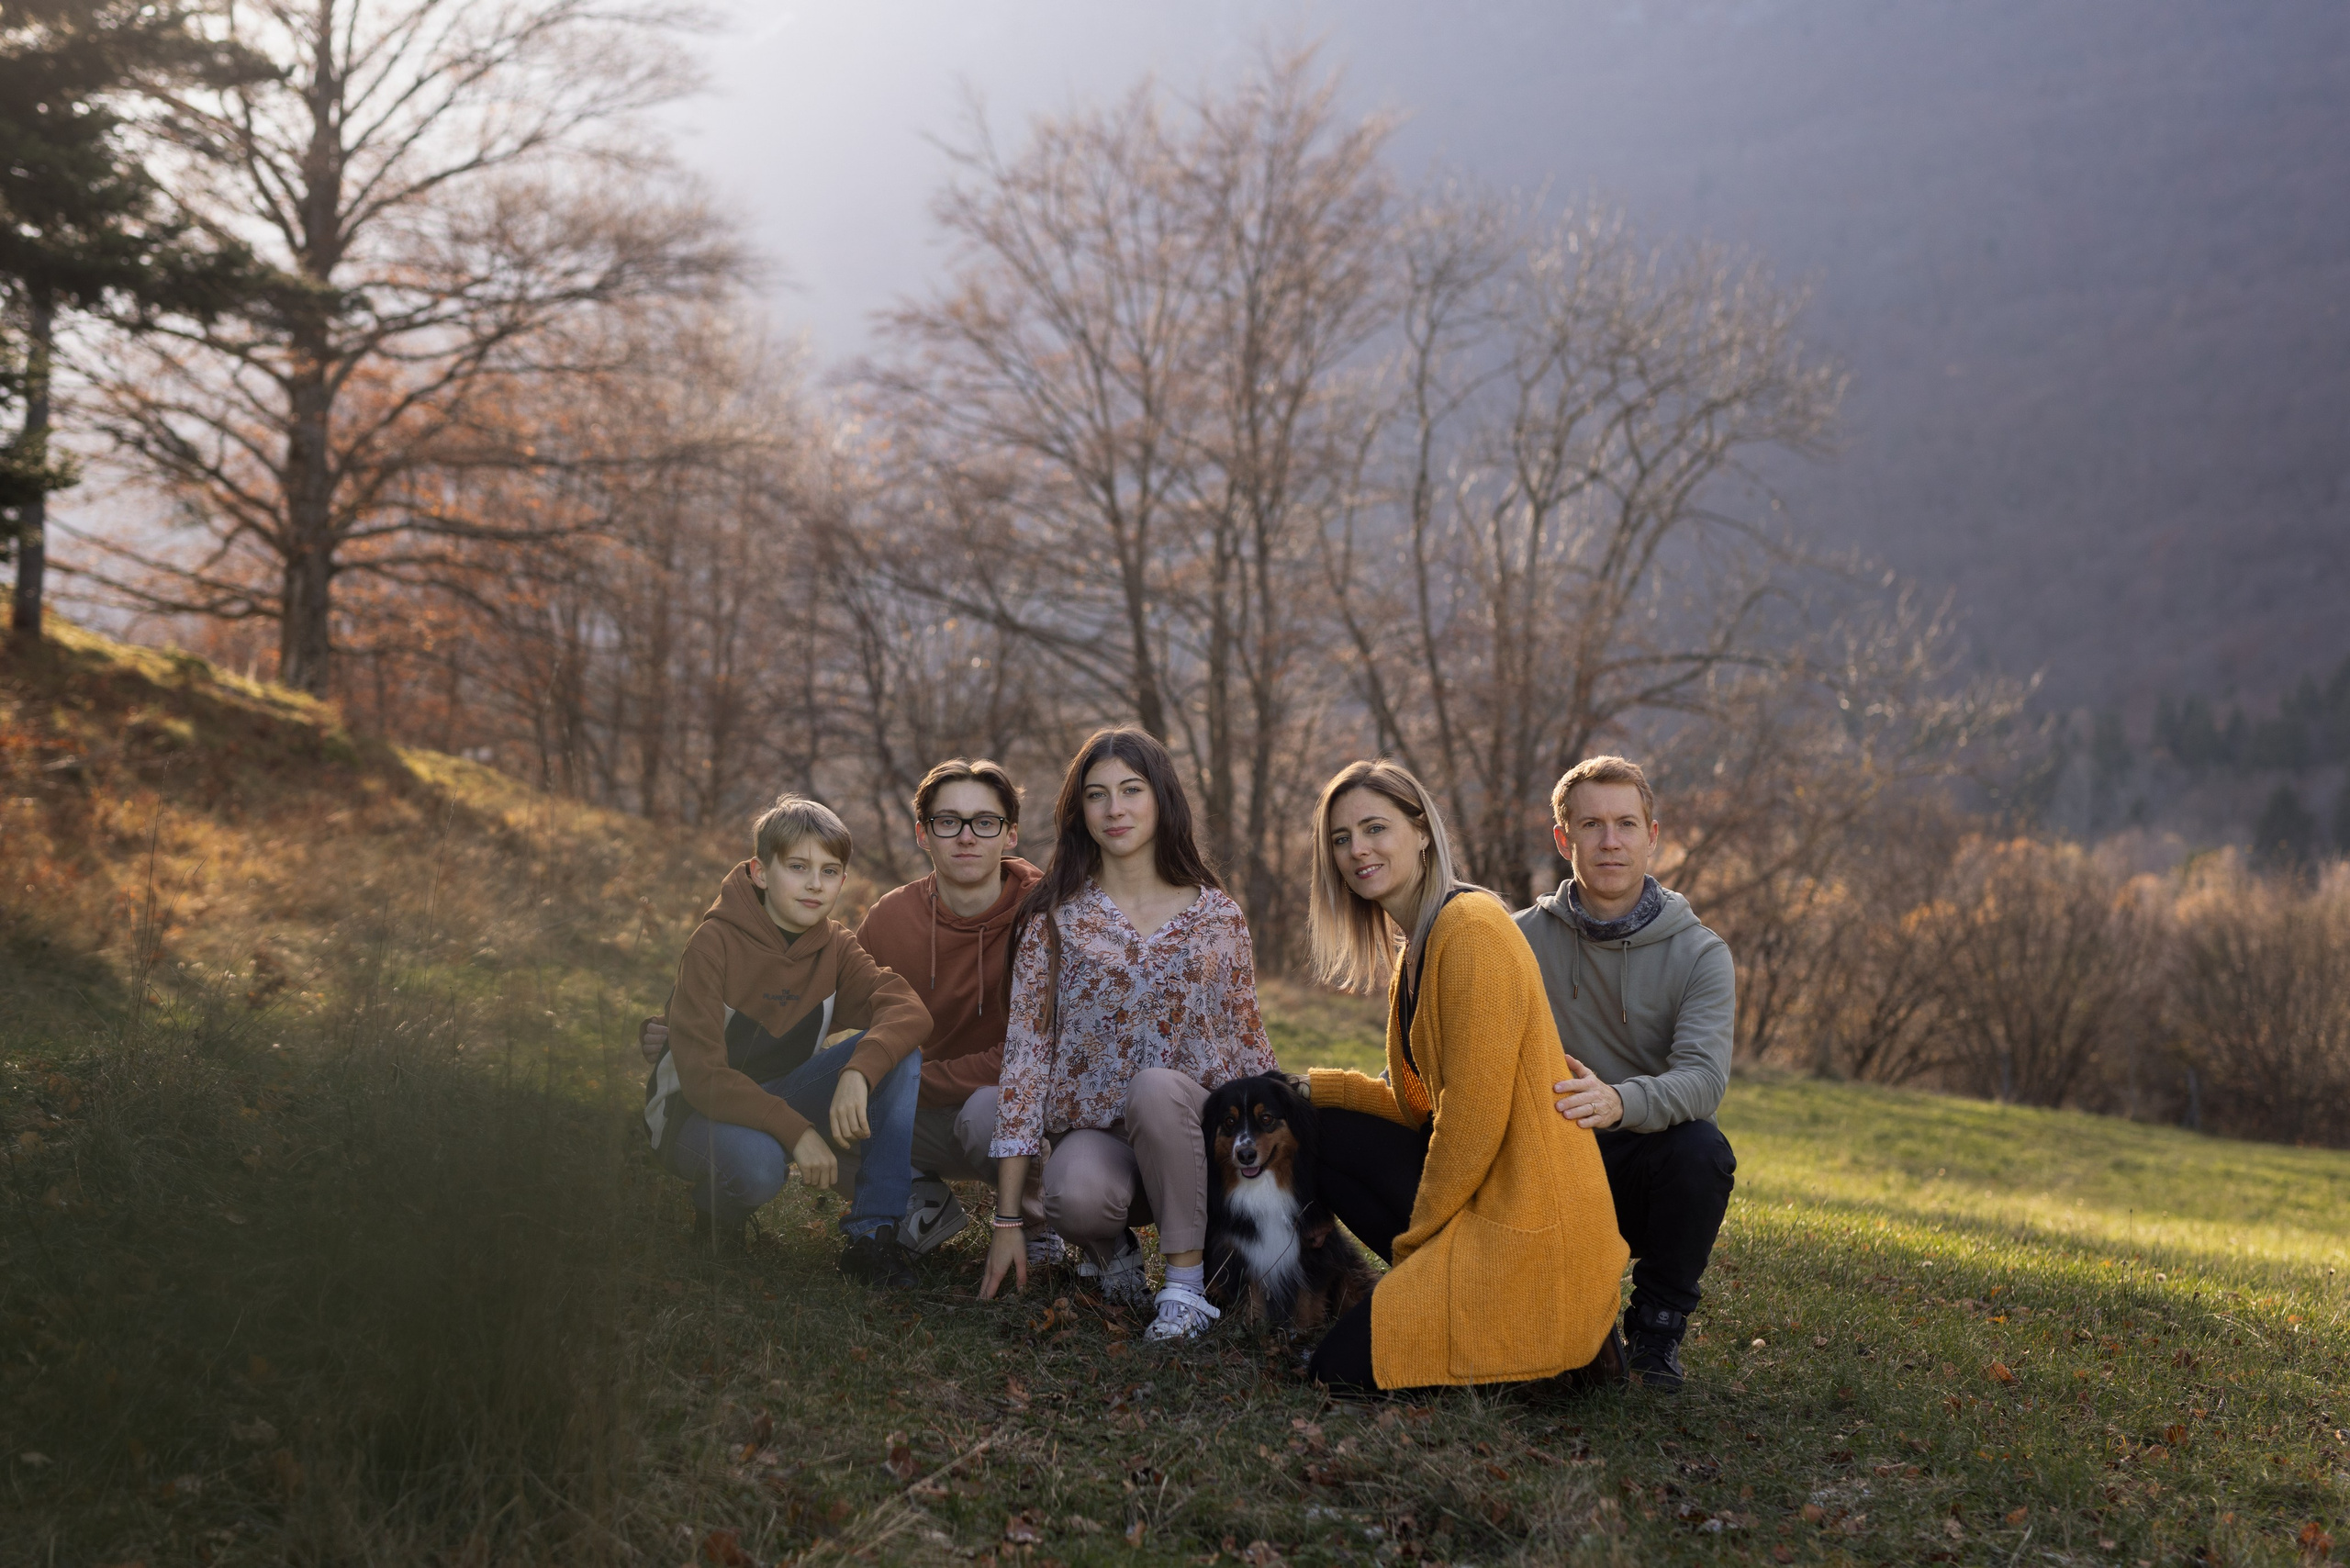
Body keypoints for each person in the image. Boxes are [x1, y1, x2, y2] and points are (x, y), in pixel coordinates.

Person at [1300, 759, 1630, 1395]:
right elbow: (1414, 1105)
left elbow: (1472, 1121)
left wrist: (1419, 1251)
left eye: (1375, 829)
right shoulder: (1418, 948)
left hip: (1527, 1225)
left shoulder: (1471, 930)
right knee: (1321, 1130)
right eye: (1341, 839)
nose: (1357, 850)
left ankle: (1564, 1349)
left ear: (1422, 832)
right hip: (1487, 1199)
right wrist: (1311, 1088)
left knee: (1335, 1373)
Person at [978, 726, 1277, 1343]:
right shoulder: (1053, 919)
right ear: (1078, 811)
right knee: (1076, 1194)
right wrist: (1008, 1218)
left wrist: (1282, 1163)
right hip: (1104, 1147)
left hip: (1194, 1137)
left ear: (1162, 799)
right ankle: (1109, 1251)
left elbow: (1249, 1041)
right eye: (1097, 795)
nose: (1115, 810)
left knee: (1154, 1089)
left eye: (1132, 790)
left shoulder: (1216, 915)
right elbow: (1026, 1060)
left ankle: (1185, 1288)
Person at [641, 794, 932, 1286]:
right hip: (691, 1111)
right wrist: (798, 1132)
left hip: (780, 1094)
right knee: (760, 1166)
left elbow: (907, 1009)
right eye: (797, 867)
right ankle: (718, 1214)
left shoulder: (835, 946)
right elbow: (703, 1077)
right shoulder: (713, 944)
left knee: (898, 1056)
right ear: (761, 871)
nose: (815, 884)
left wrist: (859, 1072)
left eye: (830, 870)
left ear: (843, 879)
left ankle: (872, 1237)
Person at [1519, 755, 1737, 1393]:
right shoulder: (1518, 941)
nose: (1609, 841)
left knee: (1702, 1149)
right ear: (1565, 840)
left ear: (1652, 835)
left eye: (1625, 824)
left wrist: (1617, 1101)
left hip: (1640, 1166)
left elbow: (1702, 1080)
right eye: (1591, 825)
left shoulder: (1700, 953)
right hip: (1544, 1162)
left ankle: (1656, 1334)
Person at [852, 758, 1061, 1268]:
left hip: (1006, 1112)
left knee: (988, 1113)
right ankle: (920, 1202)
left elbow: (1026, 1060)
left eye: (984, 822)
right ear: (923, 835)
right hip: (920, 1112)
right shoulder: (891, 917)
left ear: (1010, 835)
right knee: (834, 1098)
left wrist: (907, 1080)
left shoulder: (1045, 916)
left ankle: (1035, 1226)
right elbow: (841, 1006)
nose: (966, 837)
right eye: (948, 822)